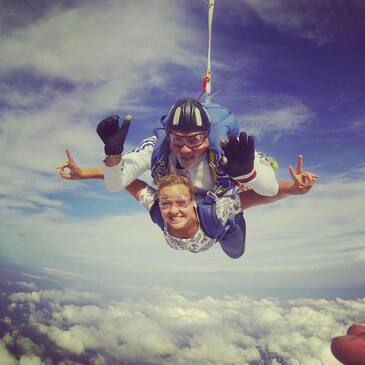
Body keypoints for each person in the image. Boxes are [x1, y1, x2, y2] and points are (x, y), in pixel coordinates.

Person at [59, 150, 318, 257]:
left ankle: (234, 181)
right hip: (206, 226)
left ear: (193, 202)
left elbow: (259, 198)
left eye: (180, 202)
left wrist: (293, 189)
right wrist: (83, 174)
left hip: (221, 230)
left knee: (235, 252)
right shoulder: (155, 205)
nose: (172, 211)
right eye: (165, 203)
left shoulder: (215, 212)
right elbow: (126, 181)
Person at [59, 98, 279, 198]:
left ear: (208, 136)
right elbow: (115, 184)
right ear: (168, 135)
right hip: (178, 207)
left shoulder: (227, 149)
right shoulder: (157, 147)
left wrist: (246, 173)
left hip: (218, 202)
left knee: (223, 232)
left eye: (195, 139)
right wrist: (114, 156)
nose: (185, 149)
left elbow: (271, 189)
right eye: (177, 139)